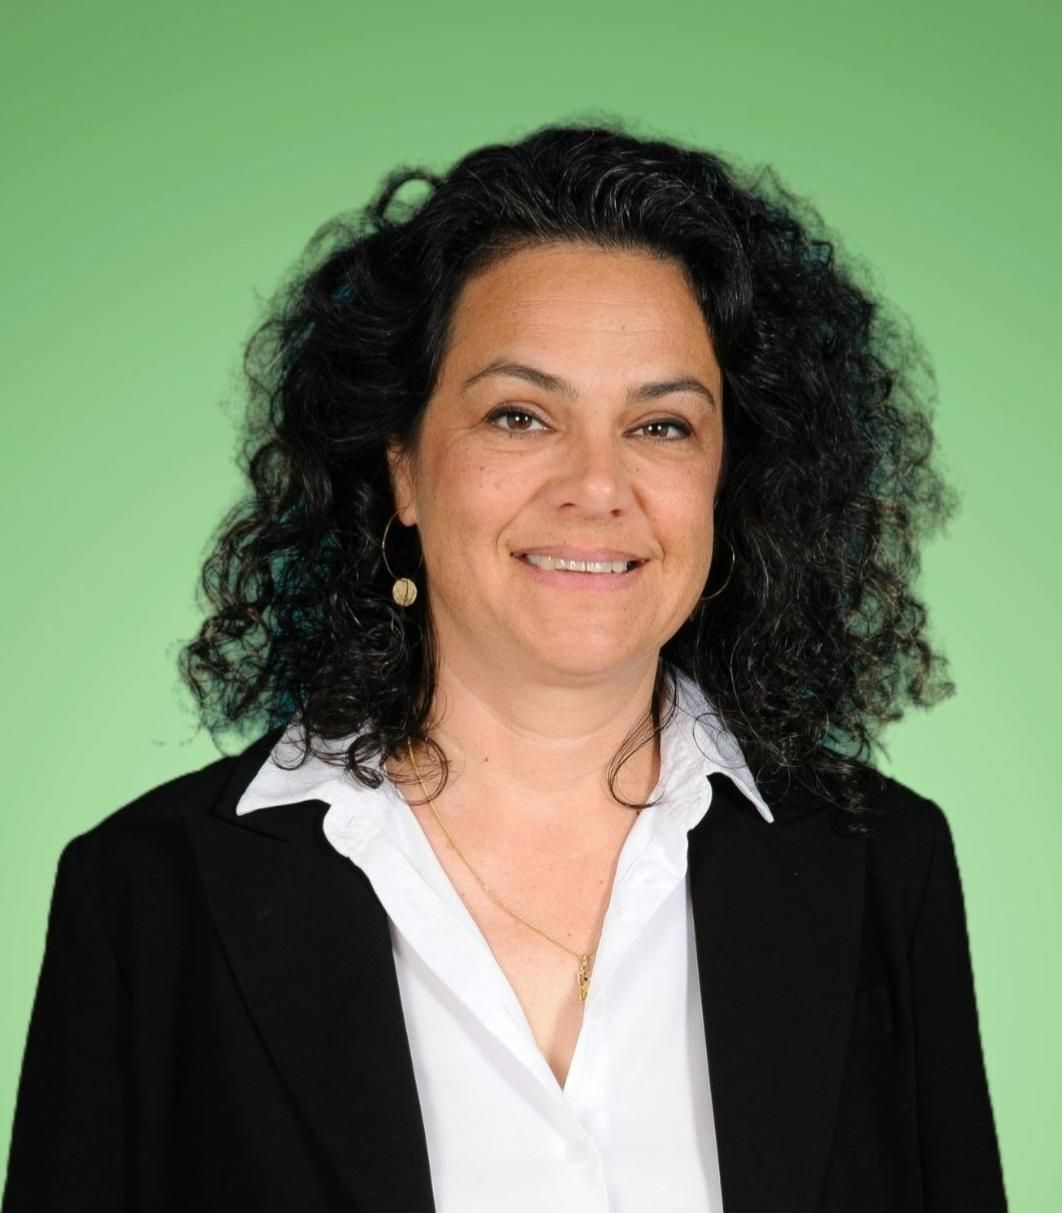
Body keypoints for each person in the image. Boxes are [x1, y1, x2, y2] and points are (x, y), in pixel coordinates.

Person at [2, 121, 1008, 1212]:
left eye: (663, 426)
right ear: (402, 464)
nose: (598, 486)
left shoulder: (881, 865)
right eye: (520, 415)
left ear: (731, 475)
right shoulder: (143, 897)